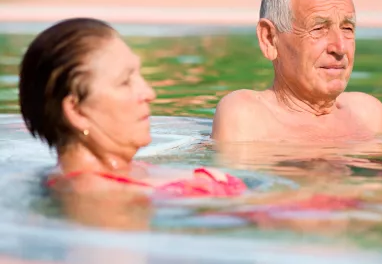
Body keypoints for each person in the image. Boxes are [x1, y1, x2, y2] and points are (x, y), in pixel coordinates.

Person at [19, 18, 247, 228]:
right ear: (77, 110)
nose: (149, 93)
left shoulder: (121, 176)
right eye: (125, 82)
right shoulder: (99, 198)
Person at [212, 0, 382, 143]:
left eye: (347, 28)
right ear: (269, 39)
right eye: (319, 28)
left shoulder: (368, 117)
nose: (340, 47)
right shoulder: (248, 117)